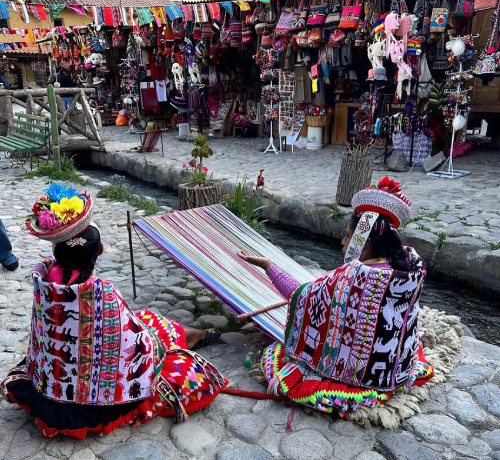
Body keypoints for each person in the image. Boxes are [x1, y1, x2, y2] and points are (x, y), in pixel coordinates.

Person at [1, 184, 225, 439]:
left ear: (57, 251)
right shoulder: (98, 292)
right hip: (86, 397)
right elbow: (133, 342)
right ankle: (191, 336)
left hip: (52, 376)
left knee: (147, 319)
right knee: (180, 360)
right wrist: (155, 345)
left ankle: (190, 335)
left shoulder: (46, 279)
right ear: (99, 253)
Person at [238, 176, 433, 416]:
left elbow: (301, 294)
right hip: (396, 367)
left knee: (275, 353)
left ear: (365, 241)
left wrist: (268, 265)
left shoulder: (354, 277)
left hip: (360, 375)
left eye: (348, 236)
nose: (342, 242)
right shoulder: (403, 270)